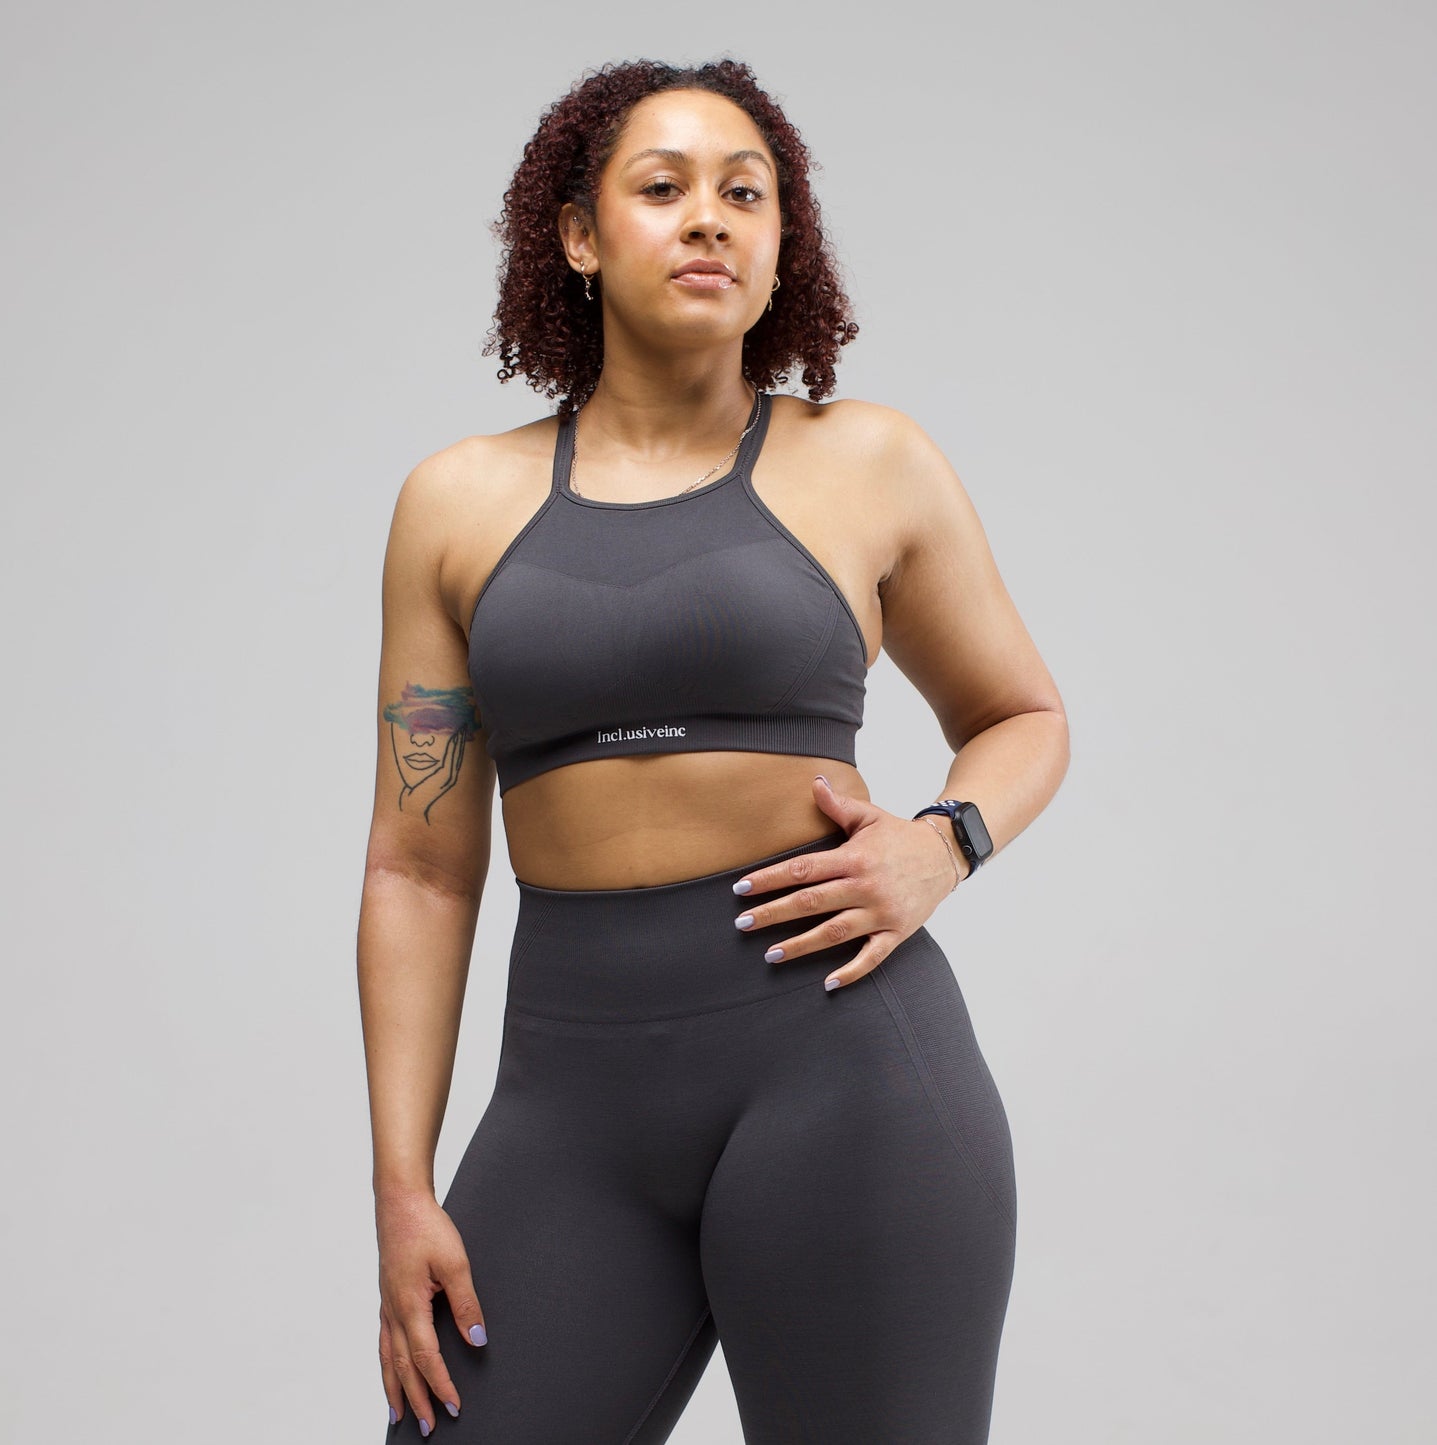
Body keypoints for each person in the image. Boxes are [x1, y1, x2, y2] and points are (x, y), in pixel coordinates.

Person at [358, 57, 1070, 1444]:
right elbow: (418, 871)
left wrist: (942, 845)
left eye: (746, 194)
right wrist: (401, 1187)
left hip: (843, 1076)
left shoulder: (867, 462)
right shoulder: (454, 505)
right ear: (578, 235)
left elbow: (1023, 716)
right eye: (663, 187)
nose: (709, 218)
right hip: (567, 1102)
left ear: (781, 244)